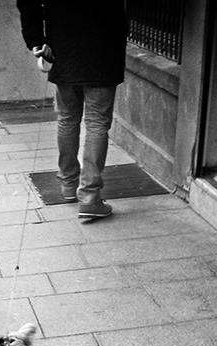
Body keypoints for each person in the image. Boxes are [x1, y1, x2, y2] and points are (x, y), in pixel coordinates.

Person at [16, 0, 127, 219]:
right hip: (104, 46)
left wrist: (36, 41)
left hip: (63, 46)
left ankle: (68, 185)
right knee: (96, 123)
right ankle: (89, 197)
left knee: (67, 119)